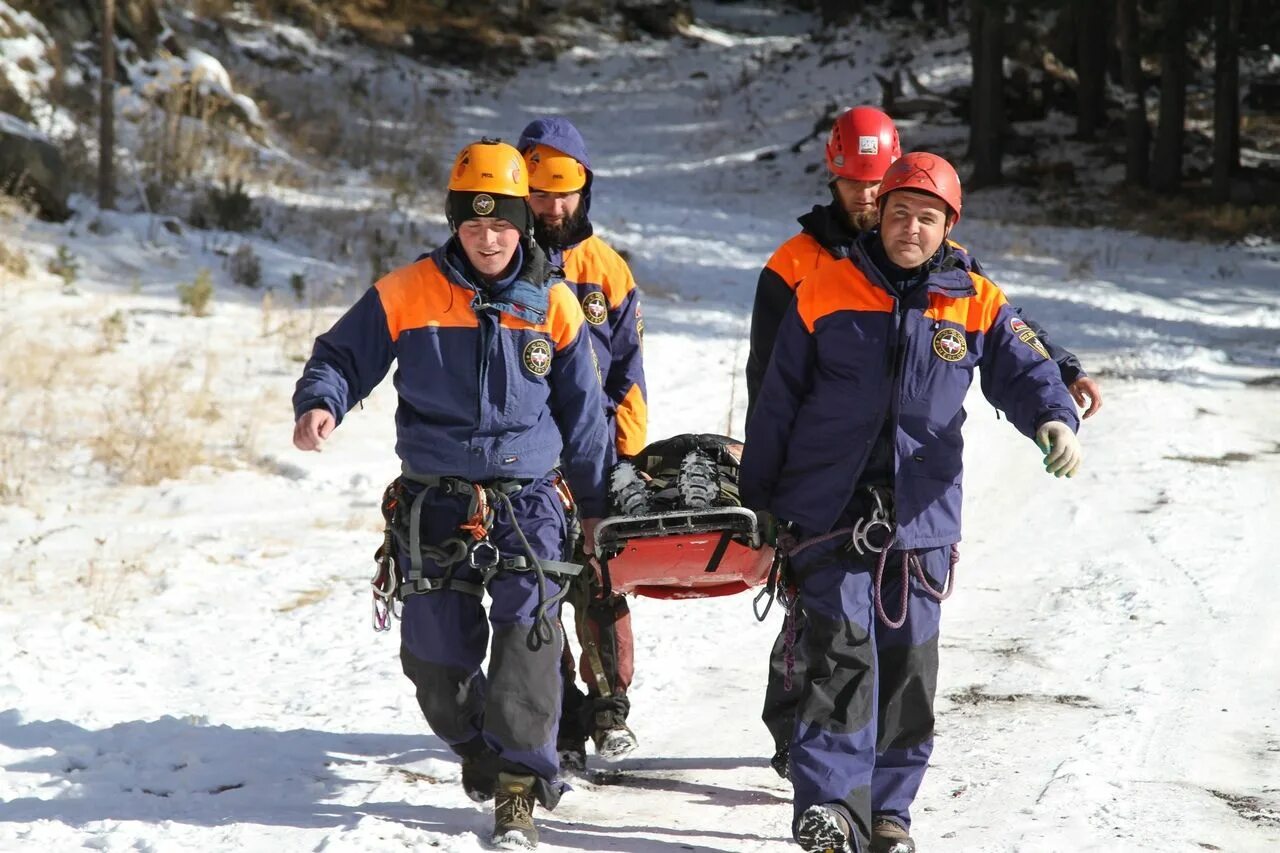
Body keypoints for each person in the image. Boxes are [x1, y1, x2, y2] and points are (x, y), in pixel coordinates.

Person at [749, 106, 1102, 794]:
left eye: (926, 216)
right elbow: (773, 391)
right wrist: (763, 500)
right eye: (894, 209)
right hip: (829, 505)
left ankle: (888, 811)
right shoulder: (809, 276)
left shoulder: (965, 293)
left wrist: (1055, 406)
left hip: (920, 518)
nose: (908, 225)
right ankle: (828, 804)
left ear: (947, 226)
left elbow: (1016, 349)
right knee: (835, 657)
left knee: (908, 670)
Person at [292, 138, 608, 850]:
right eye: (473, 224)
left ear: (523, 224)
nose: (488, 238)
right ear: (454, 224)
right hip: (436, 502)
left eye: (501, 224)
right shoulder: (408, 292)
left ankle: (521, 789)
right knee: (434, 658)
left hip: (530, 501)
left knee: (530, 637)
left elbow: (585, 414)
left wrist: (596, 510)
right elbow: (342, 355)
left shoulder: (553, 303)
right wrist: (323, 401)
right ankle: (482, 747)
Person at [516, 117, 648, 770]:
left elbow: (629, 373)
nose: (554, 206)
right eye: (541, 192)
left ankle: (610, 707)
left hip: (595, 458)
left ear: (585, 189)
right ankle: (561, 716)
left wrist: (626, 460)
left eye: (565, 191)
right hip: (526, 461)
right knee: (539, 588)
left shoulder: (608, 271)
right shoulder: (498, 267)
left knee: (601, 582)